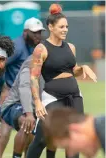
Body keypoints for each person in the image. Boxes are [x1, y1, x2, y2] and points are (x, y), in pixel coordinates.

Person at [27, 4, 97, 158]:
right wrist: (37, 102)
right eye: (61, 27)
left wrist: (84, 68)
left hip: (75, 96)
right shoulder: (41, 49)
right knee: (41, 138)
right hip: (52, 97)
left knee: (74, 138)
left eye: (67, 26)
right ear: (51, 27)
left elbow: (72, 71)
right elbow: (33, 77)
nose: (65, 29)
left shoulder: (71, 47)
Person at [0, 17, 45, 158]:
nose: (38, 35)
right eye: (34, 32)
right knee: (6, 128)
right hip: (13, 95)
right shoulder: (16, 47)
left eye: (39, 32)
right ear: (25, 32)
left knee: (30, 128)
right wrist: (2, 88)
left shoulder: (37, 47)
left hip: (30, 96)